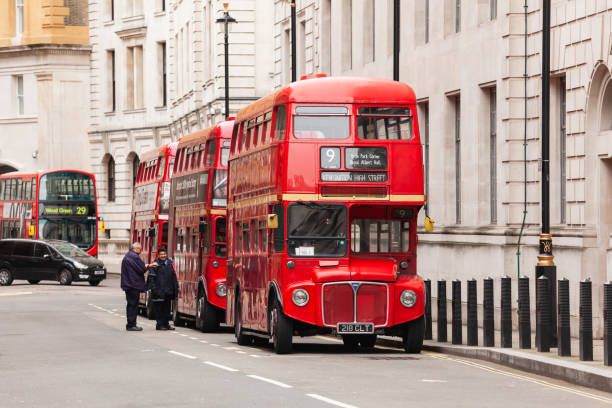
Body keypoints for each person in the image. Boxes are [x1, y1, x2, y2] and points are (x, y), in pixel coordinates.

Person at [120, 242, 157, 331]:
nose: (141, 251)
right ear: (135, 248)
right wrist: (149, 266)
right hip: (133, 285)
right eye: (140, 249)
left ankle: (130, 324)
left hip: (128, 284)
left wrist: (148, 265)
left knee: (130, 305)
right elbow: (142, 269)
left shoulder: (128, 256)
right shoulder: (135, 257)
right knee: (133, 305)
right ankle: (131, 324)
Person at [148, 246, 179, 330]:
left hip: (168, 290)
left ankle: (166, 324)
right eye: (161, 254)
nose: (163, 256)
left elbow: (173, 277)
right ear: (158, 255)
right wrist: (154, 289)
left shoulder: (169, 263)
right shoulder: (155, 264)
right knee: (159, 309)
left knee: (167, 309)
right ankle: (159, 325)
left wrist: (175, 289)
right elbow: (151, 278)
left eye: (164, 254)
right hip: (159, 290)